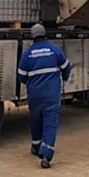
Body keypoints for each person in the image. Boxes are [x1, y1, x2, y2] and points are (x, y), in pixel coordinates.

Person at [18, 23, 71, 169]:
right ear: (45, 35)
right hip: (51, 94)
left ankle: (35, 146)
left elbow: (21, 76)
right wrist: (64, 77)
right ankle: (46, 154)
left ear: (32, 37)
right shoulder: (55, 50)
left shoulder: (27, 54)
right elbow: (66, 68)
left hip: (34, 94)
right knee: (50, 122)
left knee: (36, 119)